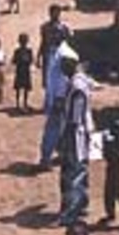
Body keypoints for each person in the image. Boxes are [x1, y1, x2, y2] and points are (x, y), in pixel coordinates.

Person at [58, 52, 94, 226]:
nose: (61, 68)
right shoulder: (82, 80)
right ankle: (82, 204)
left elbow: (75, 117)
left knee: (73, 173)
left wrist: (64, 138)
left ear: (71, 64)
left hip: (75, 134)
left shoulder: (77, 86)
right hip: (84, 130)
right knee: (81, 169)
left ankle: (71, 213)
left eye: (64, 65)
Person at [39, 42, 73, 170]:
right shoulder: (55, 53)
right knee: (56, 129)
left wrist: (58, 100)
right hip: (57, 101)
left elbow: (61, 83)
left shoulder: (64, 56)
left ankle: (51, 157)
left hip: (59, 101)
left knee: (56, 130)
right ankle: (49, 158)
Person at [38, 5, 72, 89]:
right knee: (48, 80)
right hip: (48, 54)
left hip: (60, 55)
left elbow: (68, 42)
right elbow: (43, 42)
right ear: (49, 14)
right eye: (53, 13)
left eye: (57, 13)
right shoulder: (44, 27)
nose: (55, 15)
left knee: (60, 79)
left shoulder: (64, 27)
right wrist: (38, 56)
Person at [12, 33, 33, 111]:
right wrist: (20, 60)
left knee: (25, 88)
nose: (23, 43)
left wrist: (26, 60)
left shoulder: (28, 51)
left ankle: (24, 103)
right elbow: (14, 61)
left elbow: (31, 60)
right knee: (19, 88)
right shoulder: (17, 51)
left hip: (24, 70)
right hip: (21, 70)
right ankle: (18, 104)